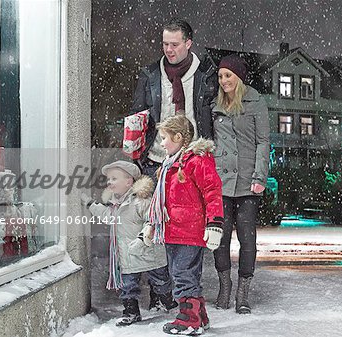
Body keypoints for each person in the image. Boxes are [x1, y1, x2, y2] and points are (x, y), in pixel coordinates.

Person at [146, 115, 224, 335]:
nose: (161, 143)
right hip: (173, 231)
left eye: (164, 138)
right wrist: (151, 225)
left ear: (178, 137)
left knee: (182, 274)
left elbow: (212, 192)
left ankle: (189, 319)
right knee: (184, 274)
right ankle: (199, 316)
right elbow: (160, 201)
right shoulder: (169, 165)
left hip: (189, 231)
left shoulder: (196, 162)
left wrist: (214, 224)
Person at [81, 160, 177, 326]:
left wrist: (142, 240)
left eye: (114, 178)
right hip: (127, 256)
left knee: (160, 282)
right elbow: (106, 215)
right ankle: (131, 312)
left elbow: (152, 221)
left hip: (150, 254)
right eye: (108, 179)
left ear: (129, 181)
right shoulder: (115, 205)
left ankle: (168, 301)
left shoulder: (142, 201)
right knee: (127, 287)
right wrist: (90, 203)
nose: (109, 182)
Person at [211, 54, 270, 314]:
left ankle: (242, 293)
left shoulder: (256, 102)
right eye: (221, 76)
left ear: (239, 77)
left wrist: (260, 177)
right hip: (220, 183)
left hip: (247, 183)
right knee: (219, 238)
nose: (224, 81)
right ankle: (224, 287)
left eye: (228, 76)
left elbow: (263, 142)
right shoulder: (214, 104)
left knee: (247, 239)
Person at [130, 18, 218, 178]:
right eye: (165, 44)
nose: (168, 49)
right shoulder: (150, 75)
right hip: (155, 162)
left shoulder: (206, 75)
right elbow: (136, 117)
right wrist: (135, 158)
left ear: (188, 43)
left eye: (174, 45)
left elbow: (217, 119)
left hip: (194, 161)